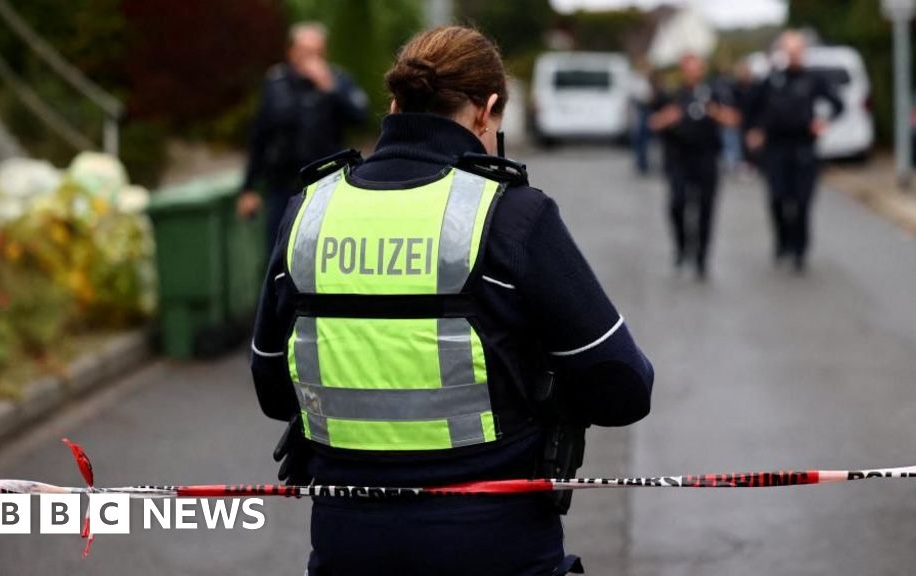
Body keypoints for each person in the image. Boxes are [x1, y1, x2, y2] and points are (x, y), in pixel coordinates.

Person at [249, 26, 654, 576]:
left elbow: (273, 387)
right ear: (487, 111)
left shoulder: (309, 211)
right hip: (494, 542)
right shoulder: (512, 214)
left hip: (347, 545)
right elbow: (623, 386)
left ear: (395, 103)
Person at [237, 22, 369, 254]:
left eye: (317, 52)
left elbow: (361, 116)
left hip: (326, 187)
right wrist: (248, 188)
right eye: (305, 52)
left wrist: (330, 87)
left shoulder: (337, 80)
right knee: (280, 254)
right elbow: (259, 137)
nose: (311, 59)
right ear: (291, 52)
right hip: (283, 187)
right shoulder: (276, 83)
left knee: (321, 254)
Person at [745, 30, 843, 272]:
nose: (794, 55)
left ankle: (800, 249)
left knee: (802, 201)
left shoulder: (813, 79)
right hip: (776, 149)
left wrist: (823, 121)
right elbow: (751, 108)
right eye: (789, 51)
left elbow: (837, 104)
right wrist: (755, 130)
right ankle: (782, 241)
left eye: (797, 50)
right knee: (777, 198)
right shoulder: (771, 80)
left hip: (804, 148)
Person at [649, 53, 739, 280]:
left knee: (705, 208)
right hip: (679, 158)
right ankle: (682, 246)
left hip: (706, 157)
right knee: (677, 204)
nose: (692, 72)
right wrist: (668, 117)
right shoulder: (671, 94)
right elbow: (652, 122)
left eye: (696, 68)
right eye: (688, 68)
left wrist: (715, 112)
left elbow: (734, 119)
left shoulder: (715, 92)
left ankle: (701, 258)